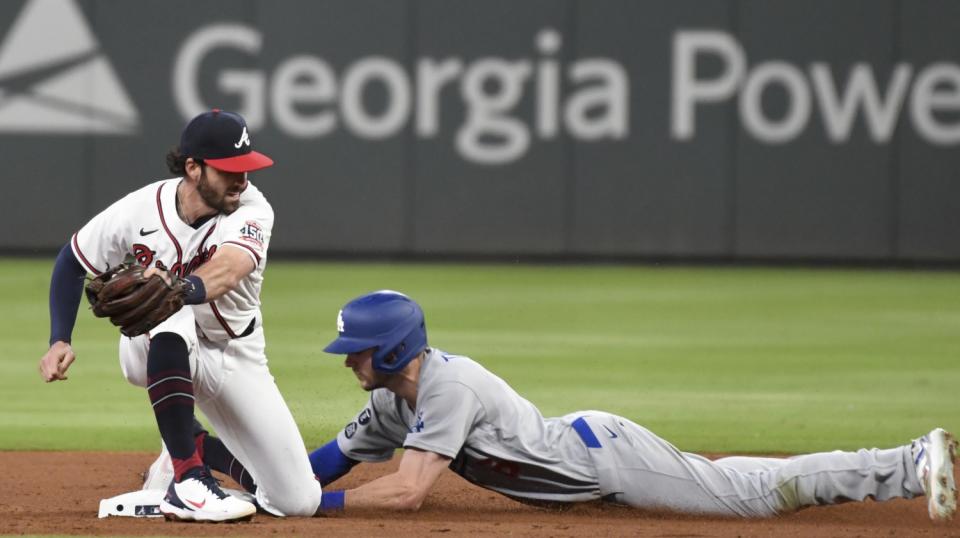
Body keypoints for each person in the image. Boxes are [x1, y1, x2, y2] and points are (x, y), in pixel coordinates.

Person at [293, 290, 954, 520]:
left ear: (392, 349)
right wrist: (250, 478)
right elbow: (322, 464)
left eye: (357, 349)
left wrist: (310, 506)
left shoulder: (448, 384)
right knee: (741, 480)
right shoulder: (390, 405)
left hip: (605, 459)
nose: (347, 358)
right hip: (588, 462)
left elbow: (407, 494)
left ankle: (905, 460)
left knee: (751, 492)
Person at [38, 110, 321, 522]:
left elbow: (230, 267)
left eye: (246, 168)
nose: (242, 179)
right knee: (165, 305)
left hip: (236, 355)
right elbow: (71, 259)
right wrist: (59, 339)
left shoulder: (254, 208)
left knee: (297, 503)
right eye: (229, 170)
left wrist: (178, 287)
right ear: (193, 168)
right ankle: (188, 480)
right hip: (152, 348)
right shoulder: (140, 209)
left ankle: (187, 450)